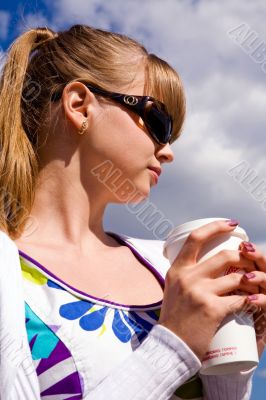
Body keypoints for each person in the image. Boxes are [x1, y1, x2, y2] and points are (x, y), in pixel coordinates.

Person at [0, 24, 265, 400]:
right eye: (159, 123)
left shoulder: (170, 267)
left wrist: (232, 364)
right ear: (79, 105)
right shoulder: (8, 276)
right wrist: (173, 347)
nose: (168, 151)